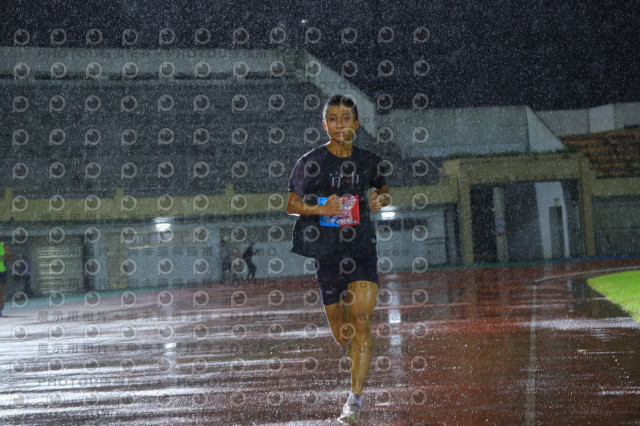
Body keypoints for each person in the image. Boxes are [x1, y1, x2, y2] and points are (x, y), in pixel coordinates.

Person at [286, 94, 391, 425]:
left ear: (356, 124)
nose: (340, 124)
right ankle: (343, 312)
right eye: (333, 119)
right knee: (343, 334)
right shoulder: (310, 163)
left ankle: (354, 401)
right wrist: (321, 208)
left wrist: (381, 199)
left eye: (346, 118)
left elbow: (383, 191)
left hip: (361, 250)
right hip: (327, 254)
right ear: (325, 125)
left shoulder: (370, 161)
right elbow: (291, 204)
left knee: (361, 320)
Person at [0, 232, 15, 317]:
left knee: (1, 292)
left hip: (1, 271)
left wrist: (5, 257)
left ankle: (0, 311)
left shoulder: (3, 246)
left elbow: (11, 258)